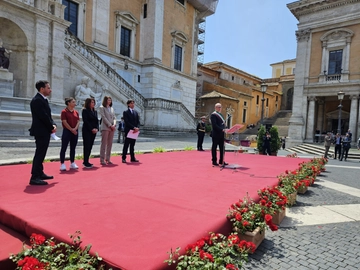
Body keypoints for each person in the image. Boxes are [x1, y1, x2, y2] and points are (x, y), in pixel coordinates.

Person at [28, 80, 57, 185]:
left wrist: (53, 124)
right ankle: (34, 176)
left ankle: (39, 172)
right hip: (40, 131)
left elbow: (48, 116)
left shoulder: (43, 100)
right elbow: (43, 116)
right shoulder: (37, 100)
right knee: (40, 153)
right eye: (48, 88)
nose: (50, 90)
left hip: (45, 130)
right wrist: (51, 126)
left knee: (42, 153)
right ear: (42, 89)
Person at [59, 97, 80, 171]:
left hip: (75, 131)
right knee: (64, 147)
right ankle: (62, 163)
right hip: (67, 131)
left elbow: (78, 121)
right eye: (73, 102)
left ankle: (72, 162)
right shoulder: (64, 112)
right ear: (69, 103)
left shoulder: (76, 112)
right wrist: (71, 129)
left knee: (73, 148)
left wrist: (75, 129)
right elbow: (64, 121)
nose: (75, 103)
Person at [82, 98, 99, 168]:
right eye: (92, 102)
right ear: (88, 103)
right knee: (87, 146)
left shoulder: (95, 111)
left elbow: (97, 121)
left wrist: (97, 128)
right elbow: (85, 121)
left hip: (94, 131)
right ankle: (85, 161)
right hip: (87, 130)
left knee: (90, 146)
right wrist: (91, 128)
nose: (93, 104)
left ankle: (87, 160)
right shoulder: (85, 111)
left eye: (94, 102)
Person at [99, 96, 116, 165]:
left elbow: (114, 117)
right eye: (108, 100)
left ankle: (108, 158)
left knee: (110, 144)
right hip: (105, 127)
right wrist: (110, 125)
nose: (109, 101)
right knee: (104, 143)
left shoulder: (111, 108)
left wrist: (114, 124)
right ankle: (102, 159)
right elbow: (103, 117)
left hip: (112, 128)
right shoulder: (102, 108)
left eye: (110, 100)